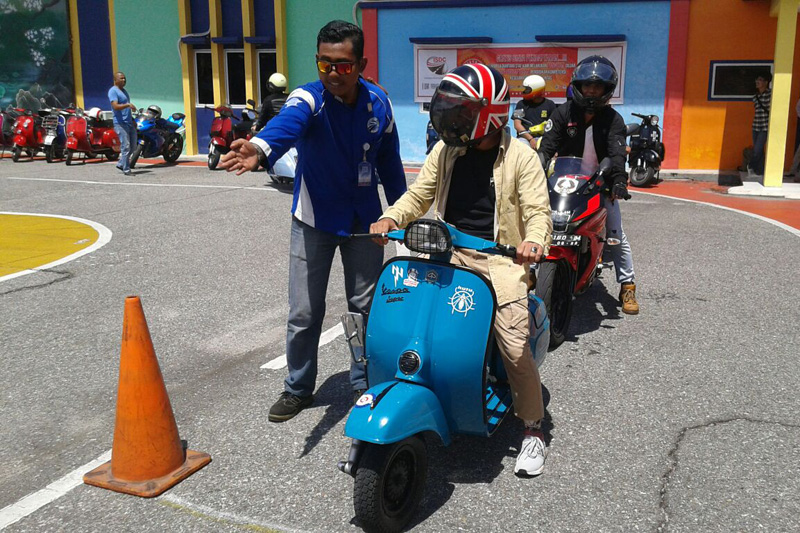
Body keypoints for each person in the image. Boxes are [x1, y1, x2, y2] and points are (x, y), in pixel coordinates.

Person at [218, 20, 407, 422]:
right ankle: (298, 388)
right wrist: (259, 147)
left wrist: (399, 214)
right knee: (304, 312)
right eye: (325, 64)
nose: (333, 74)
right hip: (313, 222)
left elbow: (389, 162)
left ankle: (365, 382)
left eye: (344, 65)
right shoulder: (308, 97)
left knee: (366, 308)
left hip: (364, 223)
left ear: (361, 64)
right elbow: (286, 124)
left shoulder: (379, 103)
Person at [370, 64, 553, 477]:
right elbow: (419, 195)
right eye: (451, 110)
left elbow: (537, 211)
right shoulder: (446, 151)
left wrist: (534, 241)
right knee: (402, 314)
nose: (452, 119)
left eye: (462, 112)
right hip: (444, 250)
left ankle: (532, 429)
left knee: (513, 344)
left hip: (500, 259)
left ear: (488, 115)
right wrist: (390, 217)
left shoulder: (522, 157)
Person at [538, 55, 640, 315]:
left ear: (607, 90)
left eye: (598, 86)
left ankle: (627, 285)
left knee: (615, 235)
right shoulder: (563, 113)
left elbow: (617, 154)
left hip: (599, 183)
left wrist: (619, 182)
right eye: (587, 85)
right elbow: (546, 148)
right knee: (539, 225)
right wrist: (535, 170)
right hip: (564, 181)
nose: (592, 91)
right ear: (578, 86)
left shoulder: (613, 120)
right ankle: (530, 273)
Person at [513, 74, 556, 149]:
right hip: (525, 138)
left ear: (537, 90)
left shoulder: (550, 104)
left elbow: (554, 125)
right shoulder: (521, 104)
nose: (524, 92)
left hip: (543, 138)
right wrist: (530, 139)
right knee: (521, 148)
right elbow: (517, 124)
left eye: (527, 90)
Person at [108, 72, 137, 175]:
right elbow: (115, 106)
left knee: (133, 146)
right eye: (121, 78)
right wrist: (127, 105)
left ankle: (121, 163)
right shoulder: (113, 91)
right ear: (115, 80)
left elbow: (126, 109)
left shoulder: (124, 91)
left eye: (124, 78)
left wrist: (133, 120)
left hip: (129, 122)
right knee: (126, 146)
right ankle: (126, 169)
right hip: (120, 123)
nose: (124, 80)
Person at [749, 71, 772, 177]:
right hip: (756, 126)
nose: (757, 82)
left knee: (757, 150)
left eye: (760, 80)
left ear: (766, 82)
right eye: (757, 80)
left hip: (765, 127)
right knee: (759, 150)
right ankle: (761, 171)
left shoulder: (771, 94)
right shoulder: (755, 96)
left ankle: (751, 167)